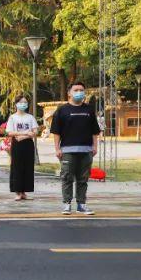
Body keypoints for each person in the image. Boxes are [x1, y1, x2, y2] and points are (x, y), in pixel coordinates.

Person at [51, 82, 100, 215]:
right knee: (67, 178)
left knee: (83, 179)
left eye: (82, 90)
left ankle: (81, 205)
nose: (79, 92)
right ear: (69, 93)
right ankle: (67, 204)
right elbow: (56, 132)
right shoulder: (62, 110)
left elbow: (95, 131)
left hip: (86, 151)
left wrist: (94, 147)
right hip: (67, 151)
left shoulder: (89, 110)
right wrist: (57, 149)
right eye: (76, 90)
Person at [6, 94, 38, 201]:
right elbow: (9, 132)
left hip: (28, 144)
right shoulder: (12, 117)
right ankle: (17, 192)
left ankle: (24, 192)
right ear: (16, 104)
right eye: (21, 102)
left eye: (25, 102)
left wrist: (23, 136)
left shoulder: (30, 117)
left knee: (27, 167)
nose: (23, 104)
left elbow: (35, 131)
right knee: (17, 167)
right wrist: (25, 133)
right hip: (17, 145)